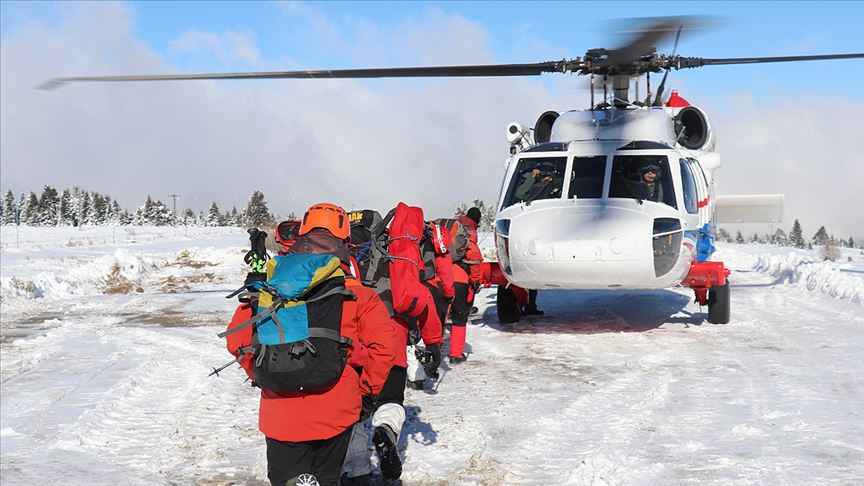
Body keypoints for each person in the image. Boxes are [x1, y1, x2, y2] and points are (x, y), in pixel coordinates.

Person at [223, 203, 397, 486]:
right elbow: (385, 347)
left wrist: (268, 373)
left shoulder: (270, 287)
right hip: (337, 411)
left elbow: (237, 339)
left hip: (280, 416)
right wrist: (365, 393)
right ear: (345, 242)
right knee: (326, 479)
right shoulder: (358, 294)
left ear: (301, 235)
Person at [448, 206, 484, 364]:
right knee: (459, 318)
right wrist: (475, 281)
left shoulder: (455, 226)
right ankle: (456, 354)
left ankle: (432, 352)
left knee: (439, 316)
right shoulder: (470, 231)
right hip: (461, 280)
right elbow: (474, 256)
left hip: (443, 276)